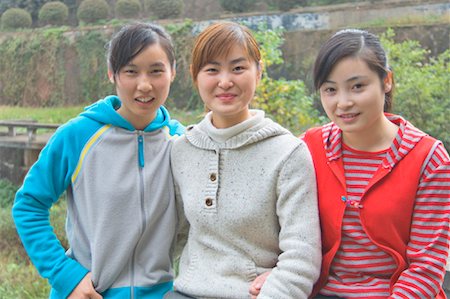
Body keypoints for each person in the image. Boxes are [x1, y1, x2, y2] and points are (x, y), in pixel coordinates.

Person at [250, 28, 450, 299]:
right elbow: (280, 225)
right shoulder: (309, 147)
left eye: (358, 86)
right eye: (330, 89)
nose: (343, 103)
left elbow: (426, 267)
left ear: (386, 81)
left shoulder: (429, 159)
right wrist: (280, 273)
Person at [12, 22, 184, 299]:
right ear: (112, 74)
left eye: (156, 71)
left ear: (173, 72)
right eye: (131, 71)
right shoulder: (78, 135)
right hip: (90, 293)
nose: (144, 85)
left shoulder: (181, 142)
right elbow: (29, 205)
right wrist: (66, 276)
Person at [167, 21, 321, 299]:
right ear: (195, 76)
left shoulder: (288, 153)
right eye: (212, 69)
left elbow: (302, 255)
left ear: (259, 71)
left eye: (238, 68)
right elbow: (170, 237)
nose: (225, 81)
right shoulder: (181, 150)